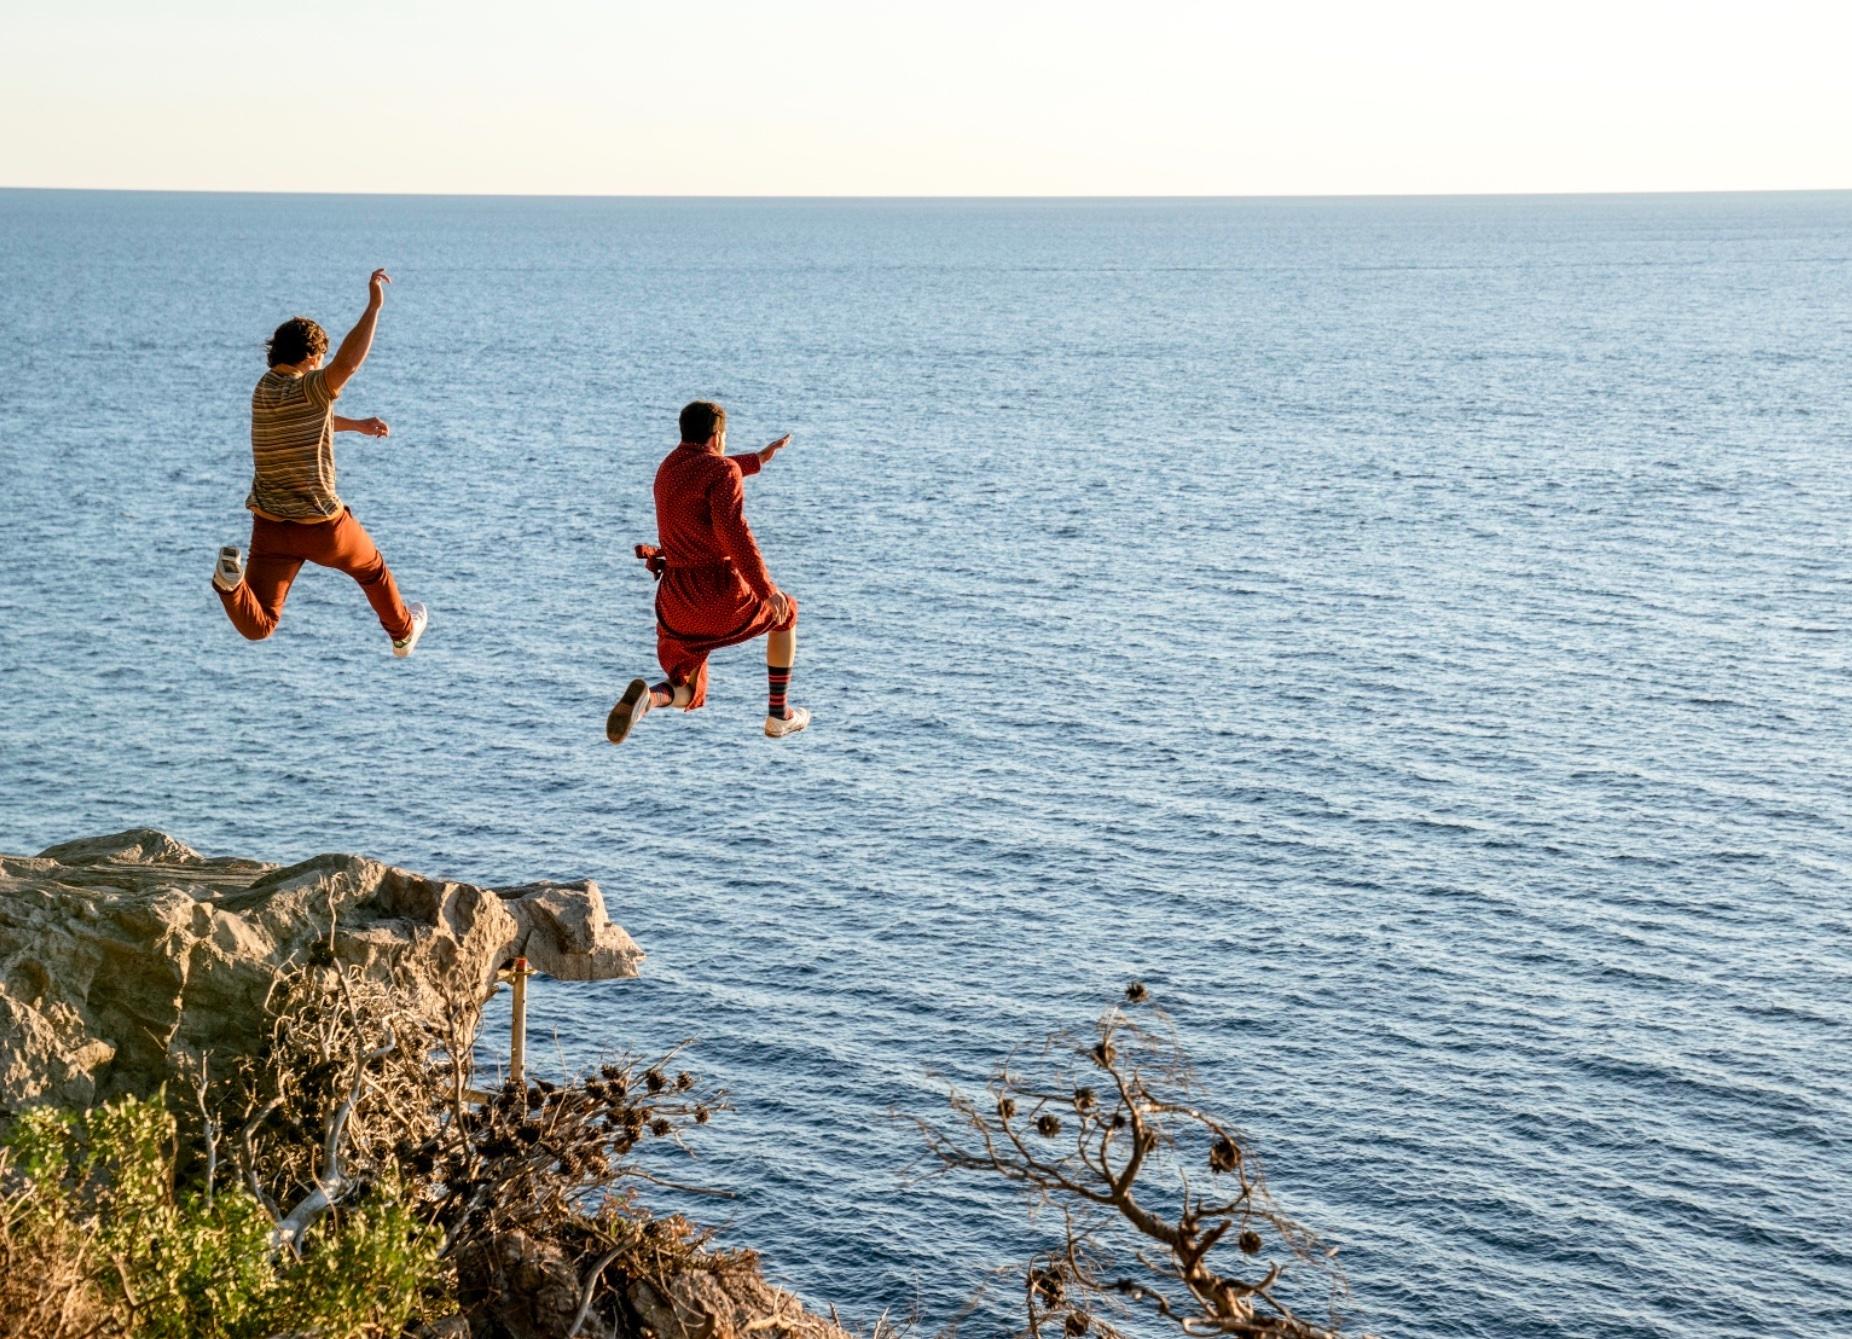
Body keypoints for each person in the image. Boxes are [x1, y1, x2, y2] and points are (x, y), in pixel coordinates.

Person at [211, 268, 429, 657]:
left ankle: (229, 585)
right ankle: (402, 633)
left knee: (261, 625)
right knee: (373, 570)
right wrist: (374, 307)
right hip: (321, 526)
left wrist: (357, 425)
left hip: (272, 527)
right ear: (312, 357)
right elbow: (347, 365)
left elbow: (312, 417)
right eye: (320, 360)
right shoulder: (311, 387)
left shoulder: (263, 391)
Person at [607, 400, 806, 743]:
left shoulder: (668, 468)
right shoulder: (722, 472)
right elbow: (735, 535)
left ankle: (648, 699)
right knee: (786, 613)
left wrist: (757, 460)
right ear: (717, 436)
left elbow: (703, 475)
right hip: (718, 595)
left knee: (686, 684)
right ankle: (779, 714)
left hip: (676, 602)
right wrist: (765, 589)